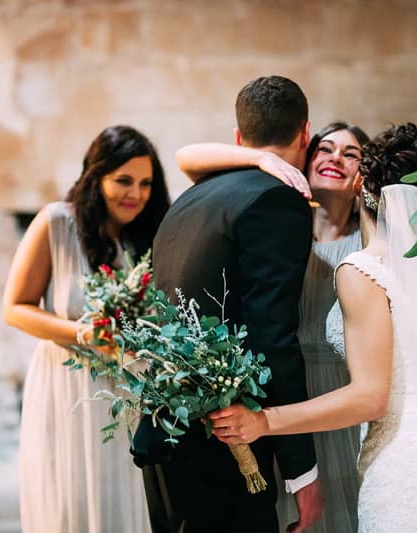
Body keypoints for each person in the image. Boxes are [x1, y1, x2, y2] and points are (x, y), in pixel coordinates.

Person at [210, 123, 417, 532]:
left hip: (406, 468)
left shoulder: (362, 270)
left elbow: (370, 398)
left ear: (362, 183)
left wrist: (263, 422)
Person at [131, 75, 323, 533]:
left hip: (165, 428)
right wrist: (302, 473)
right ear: (305, 134)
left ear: (239, 138)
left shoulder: (190, 198)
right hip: (227, 442)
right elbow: (273, 337)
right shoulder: (279, 202)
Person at [175, 122, 368, 533]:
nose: (336, 158)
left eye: (350, 154)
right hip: (280, 392)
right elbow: (187, 156)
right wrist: (260, 157)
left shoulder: (372, 244)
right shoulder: (272, 223)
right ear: (304, 155)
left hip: (341, 390)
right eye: (326, 149)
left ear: (363, 177)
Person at [2, 125, 171, 533]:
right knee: (71, 502)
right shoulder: (57, 223)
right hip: (66, 388)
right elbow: (15, 308)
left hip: (127, 392)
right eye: (124, 181)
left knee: (124, 503)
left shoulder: (144, 239)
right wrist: (83, 333)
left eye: (146, 183)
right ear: (96, 177)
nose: (136, 193)